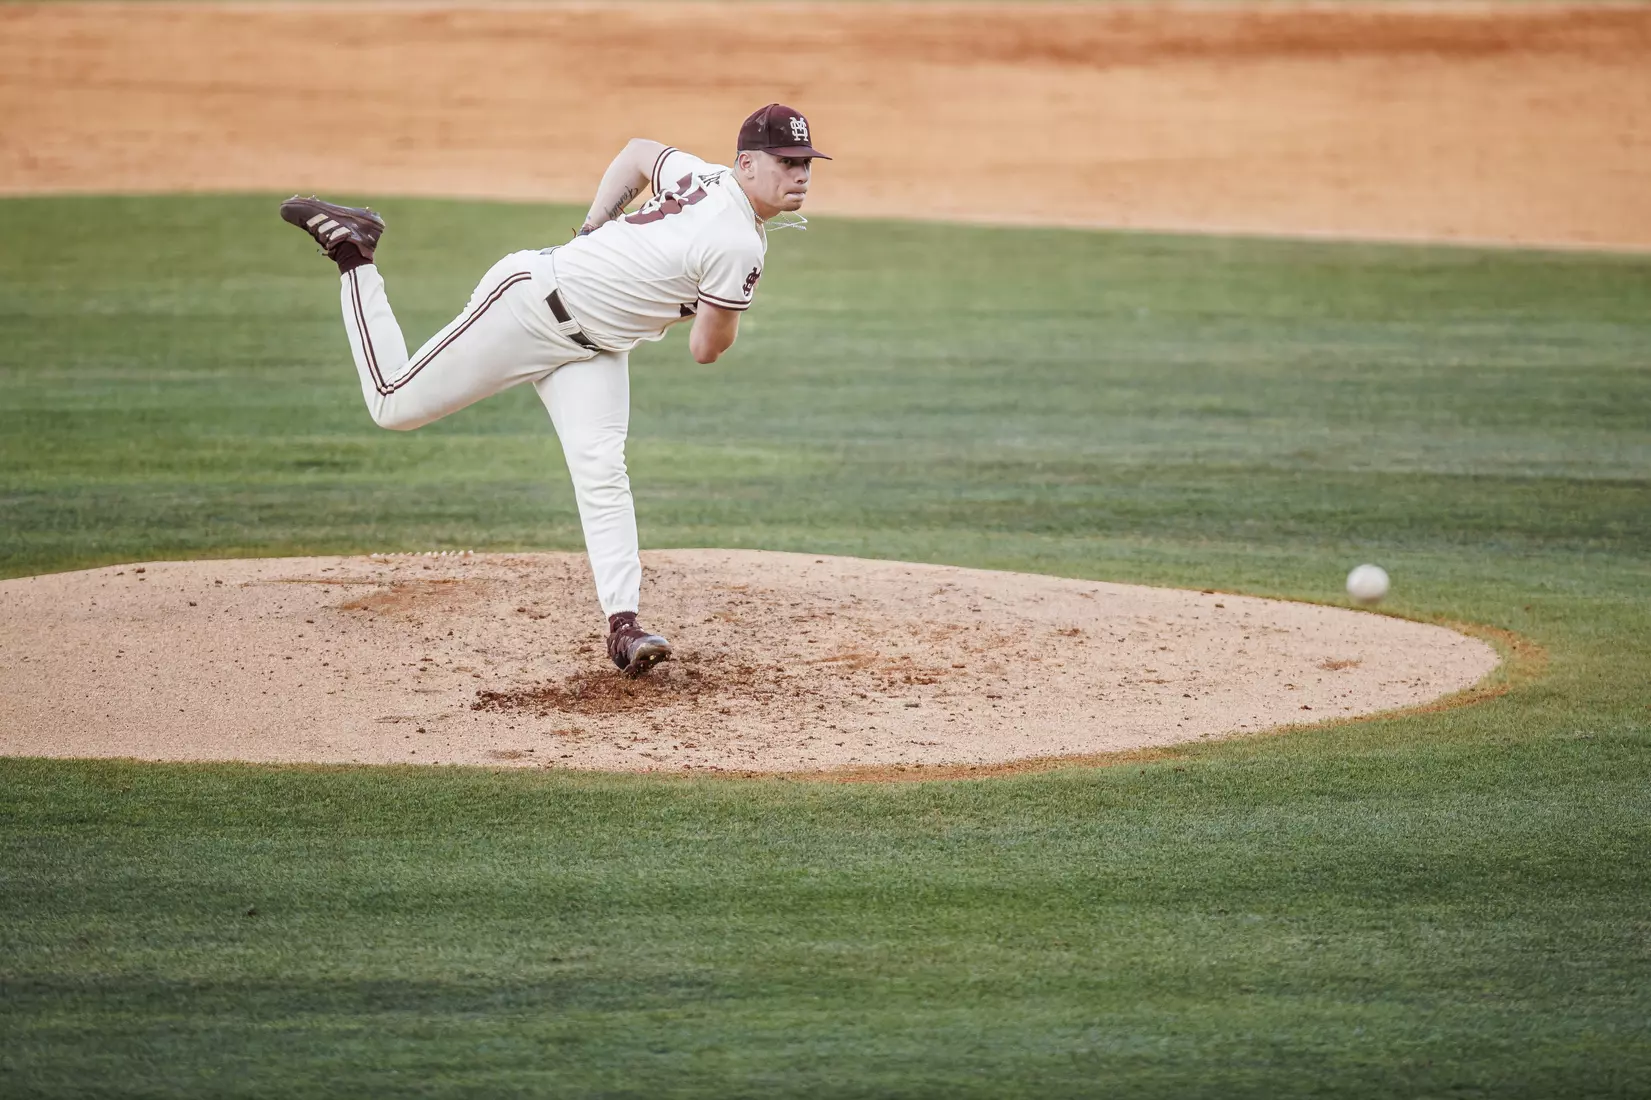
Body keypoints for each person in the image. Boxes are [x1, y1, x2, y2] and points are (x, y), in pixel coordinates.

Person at [279, 104, 829, 675]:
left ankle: (624, 626)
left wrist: (593, 229)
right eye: (786, 162)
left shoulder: (704, 175)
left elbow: (640, 153)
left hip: (592, 350)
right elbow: (705, 349)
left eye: (806, 163)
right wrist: (728, 300)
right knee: (393, 403)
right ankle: (353, 253)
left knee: (602, 472)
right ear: (746, 164)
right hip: (528, 307)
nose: (801, 175)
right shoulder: (738, 243)